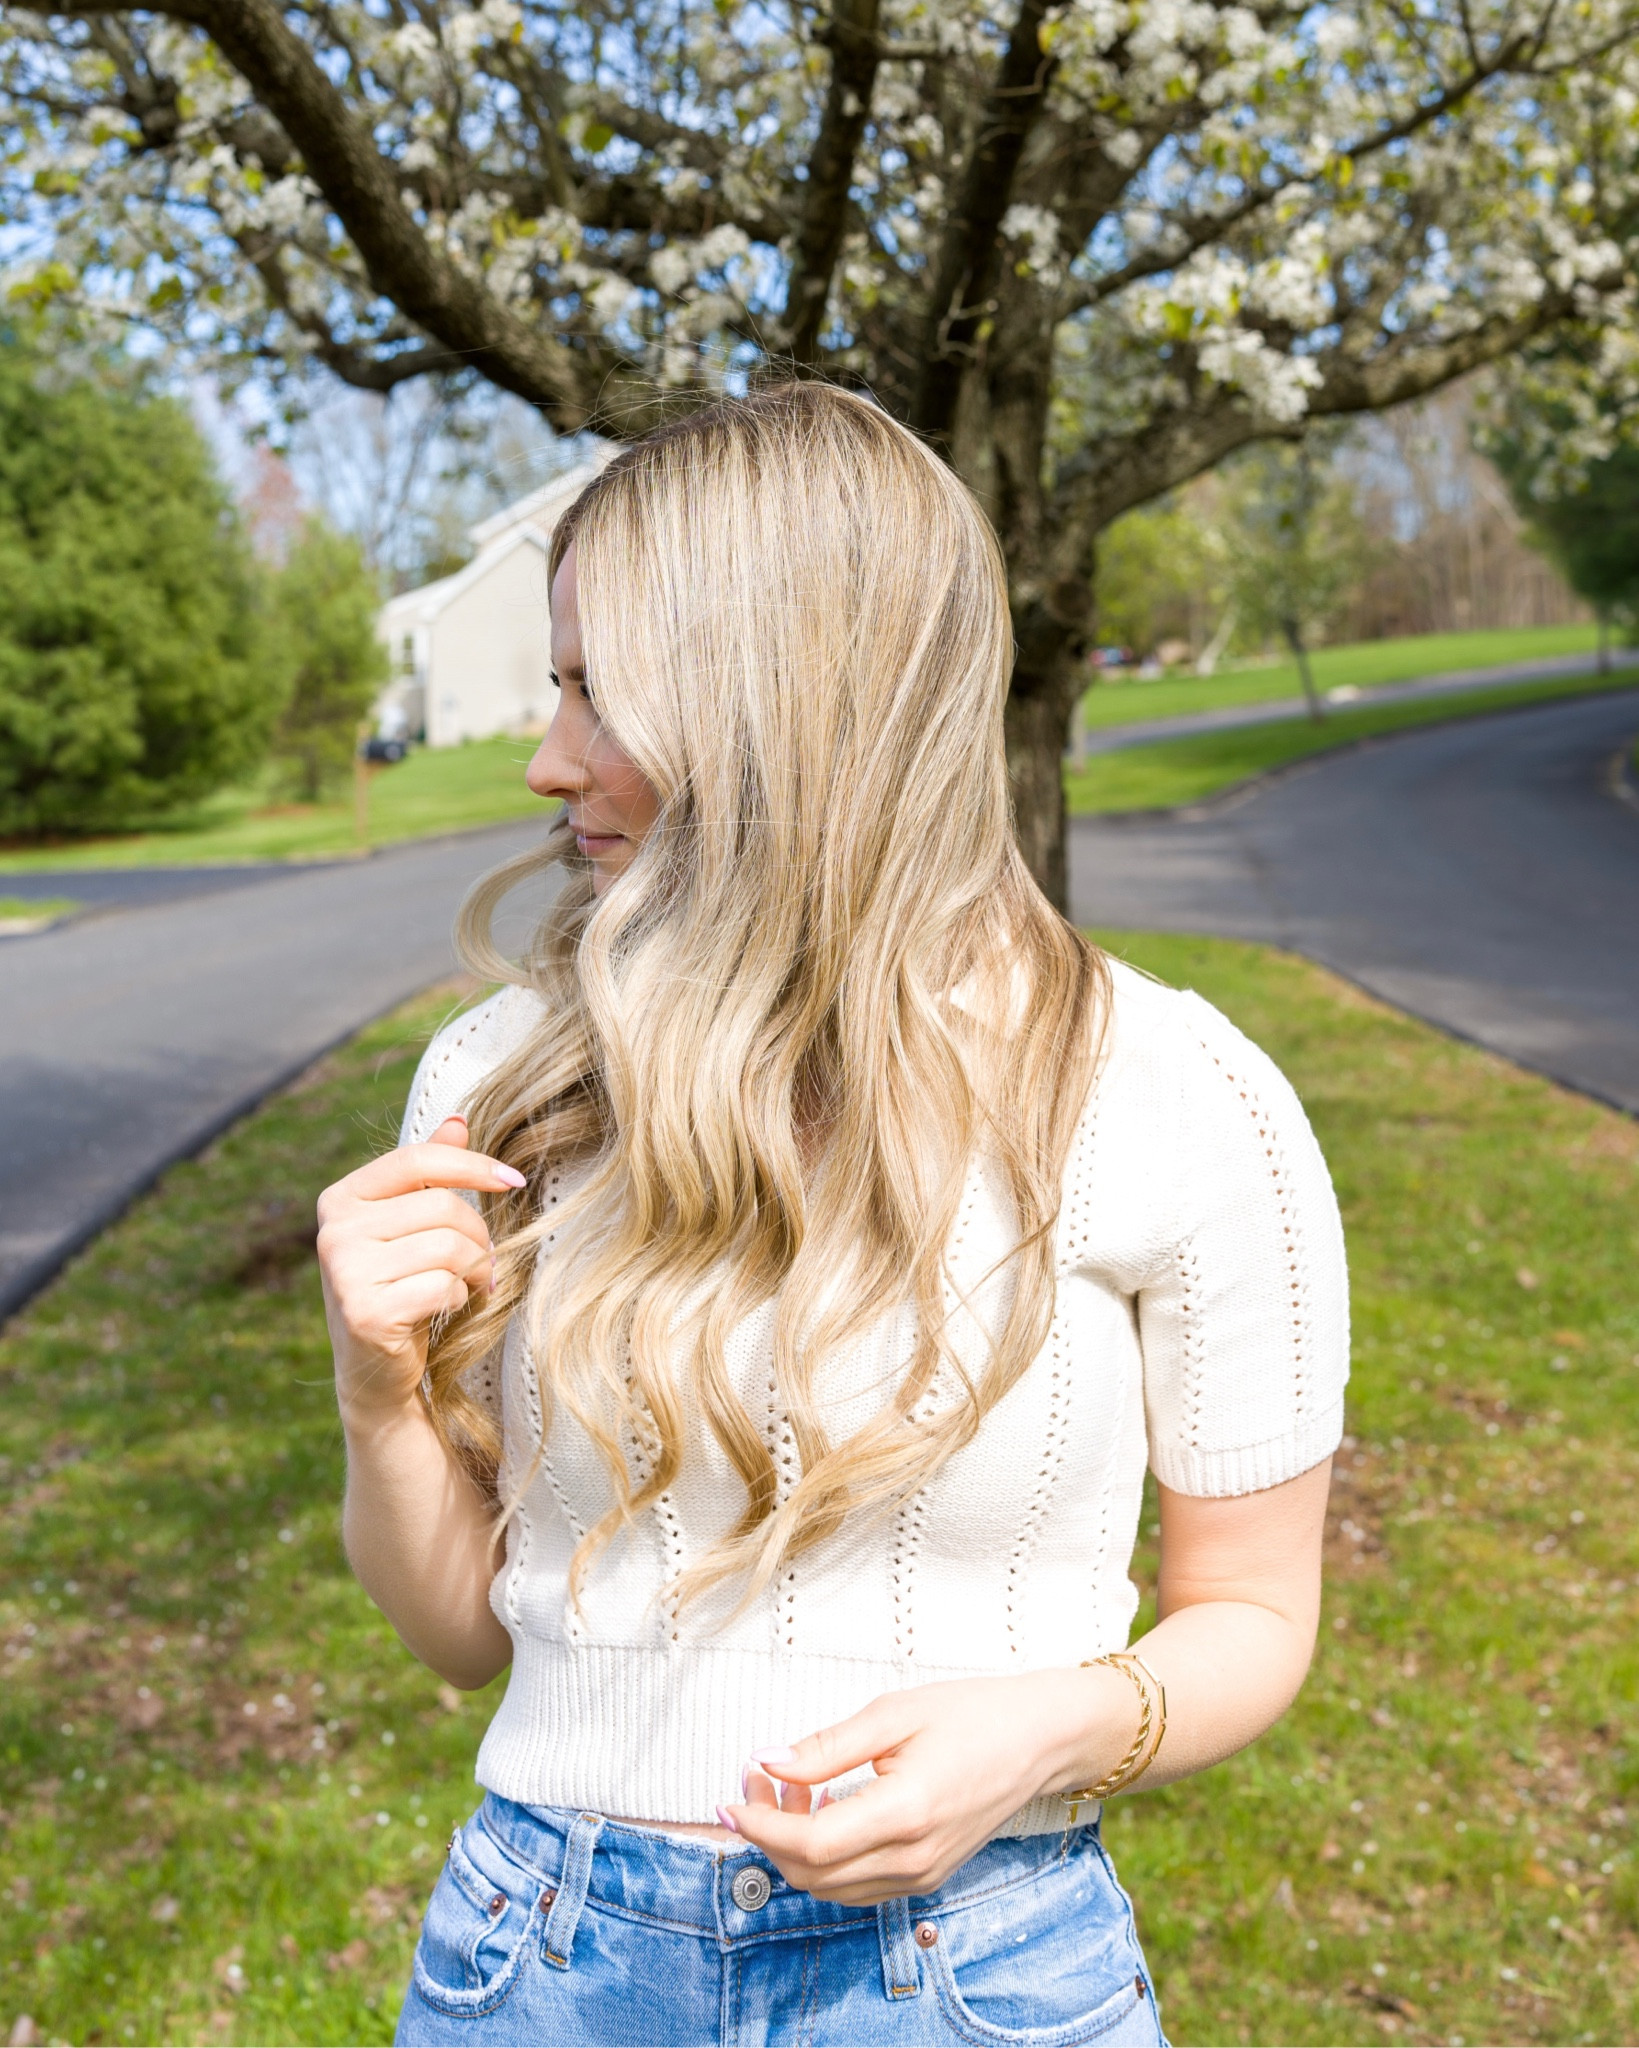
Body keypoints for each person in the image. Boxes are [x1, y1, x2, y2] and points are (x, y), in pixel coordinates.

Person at [316, 382, 1348, 2048]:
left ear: (788, 701)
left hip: (974, 1969)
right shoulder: (497, 1079)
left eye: (598, 692)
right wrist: (379, 1397)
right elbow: (455, 1634)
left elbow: (1257, 1616)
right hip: (538, 1969)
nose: (545, 759)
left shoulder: (1176, 1092)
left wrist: (1045, 1732)